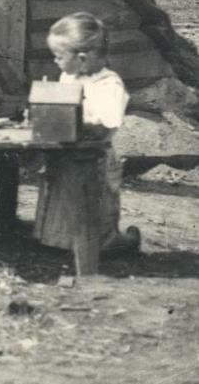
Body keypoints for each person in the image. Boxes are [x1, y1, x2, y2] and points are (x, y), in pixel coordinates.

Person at [34, 13, 140, 256]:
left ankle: (115, 244)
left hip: (97, 156)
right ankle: (62, 243)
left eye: (59, 56)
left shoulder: (108, 84)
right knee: (61, 198)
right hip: (68, 151)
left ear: (81, 59)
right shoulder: (68, 76)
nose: (55, 61)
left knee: (97, 206)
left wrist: (77, 121)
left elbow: (106, 121)